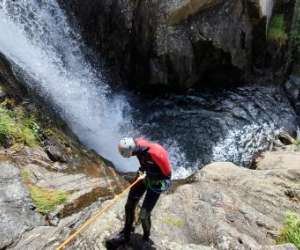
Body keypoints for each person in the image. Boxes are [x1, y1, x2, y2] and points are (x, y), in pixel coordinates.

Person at [117, 137, 172, 243]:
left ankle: (146, 237)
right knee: (129, 206)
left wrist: (152, 177)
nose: (132, 156)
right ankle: (126, 233)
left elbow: (167, 175)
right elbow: (144, 162)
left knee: (144, 215)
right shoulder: (136, 146)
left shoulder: (156, 153)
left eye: (131, 154)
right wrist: (143, 171)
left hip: (156, 182)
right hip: (144, 176)